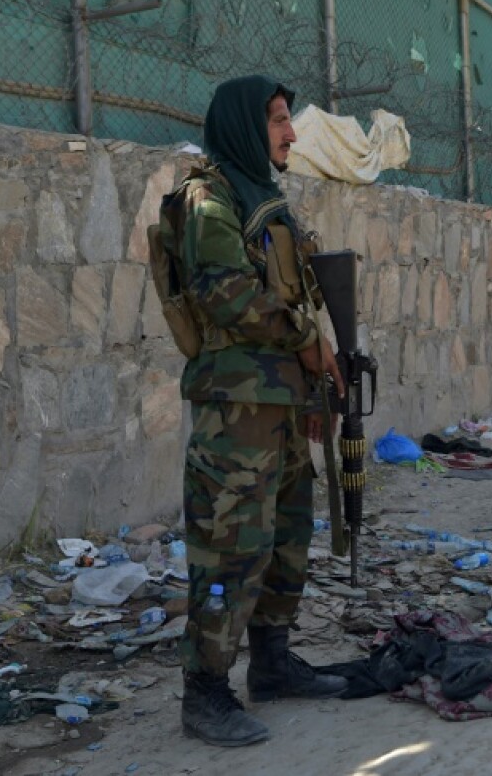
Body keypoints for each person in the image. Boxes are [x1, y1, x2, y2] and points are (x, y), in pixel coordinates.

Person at [174, 75, 348, 747]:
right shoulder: (207, 199)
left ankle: (271, 665)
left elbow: (294, 297)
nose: (292, 132)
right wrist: (309, 343)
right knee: (228, 553)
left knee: (285, 538)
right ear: (248, 125)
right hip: (235, 411)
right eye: (279, 119)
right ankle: (205, 692)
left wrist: (315, 389)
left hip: (278, 406)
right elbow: (227, 298)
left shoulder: (265, 200)